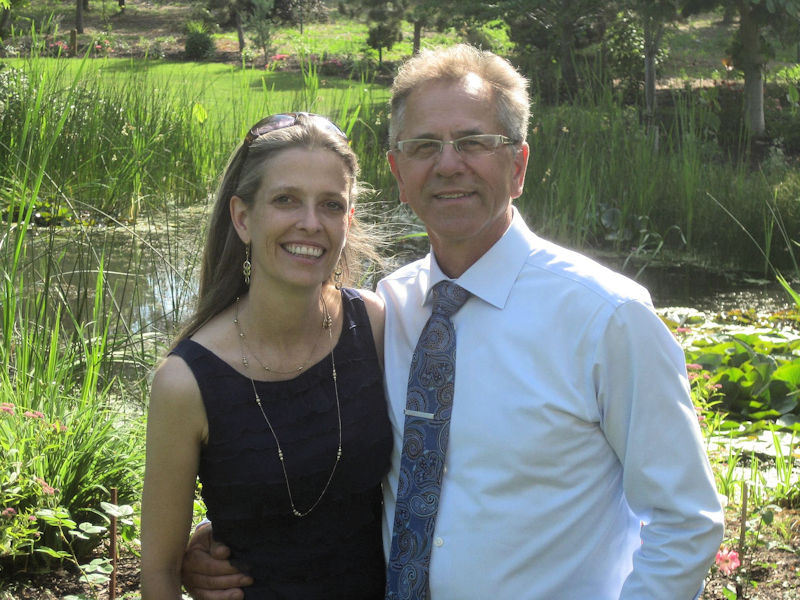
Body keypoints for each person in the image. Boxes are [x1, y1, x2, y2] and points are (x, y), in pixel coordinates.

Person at [181, 45, 725, 600]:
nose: (447, 165)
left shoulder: (607, 319)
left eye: (472, 143)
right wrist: (236, 535)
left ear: (517, 165)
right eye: (423, 147)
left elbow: (686, 521)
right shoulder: (388, 311)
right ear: (398, 172)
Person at [140, 112, 393, 599]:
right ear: (242, 217)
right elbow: (158, 574)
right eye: (285, 200)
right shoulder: (186, 382)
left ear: (348, 220)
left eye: (331, 205)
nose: (310, 223)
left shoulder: (375, 327)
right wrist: (192, 562)